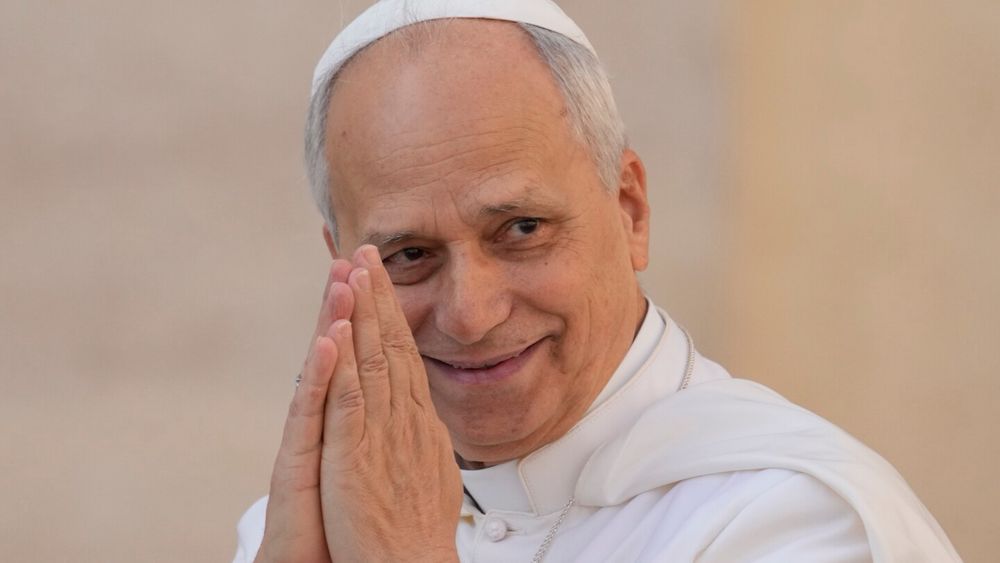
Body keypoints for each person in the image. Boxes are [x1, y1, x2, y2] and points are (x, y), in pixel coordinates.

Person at [234, 1, 961, 561]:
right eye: (409, 255)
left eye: (521, 228)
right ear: (340, 265)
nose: (471, 313)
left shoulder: (796, 520)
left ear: (629, 210)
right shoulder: (296, 530)